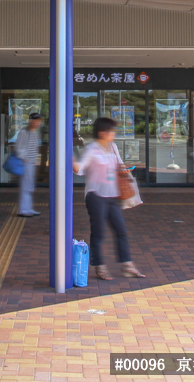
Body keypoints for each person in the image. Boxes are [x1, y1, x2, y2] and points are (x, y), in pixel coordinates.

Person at [72, 117, 145, 280]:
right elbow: (80, 169)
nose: (113, 134)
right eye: (111, 131)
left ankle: (127, 265)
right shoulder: (91, 149)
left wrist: (129, 176)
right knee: (98, 233)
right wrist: (70, 158)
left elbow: (120, 166)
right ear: (102, 133)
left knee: (121, 230)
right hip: (95, 195)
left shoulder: (113, 147)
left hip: (113, 195)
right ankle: (99, 266)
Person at [14, 113, 42, 217]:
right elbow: (19, 147)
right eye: (36, 120)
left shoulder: (34, 133)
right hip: (25, 162)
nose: (38, 123)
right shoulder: (24, 132)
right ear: (30, 121)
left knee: (30, 186)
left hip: (32, 162)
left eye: (39, 121)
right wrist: (24, 157)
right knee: (26, 186)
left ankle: (28, 208)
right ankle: (23, 209)